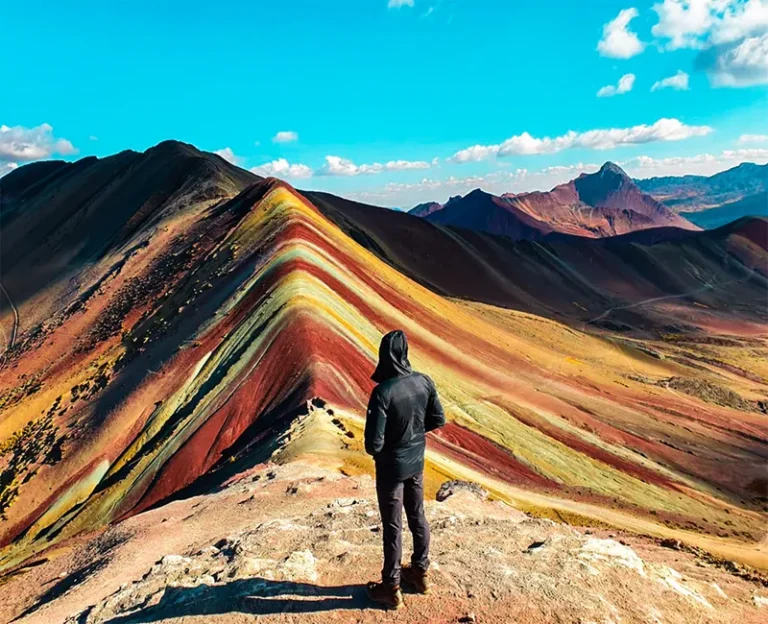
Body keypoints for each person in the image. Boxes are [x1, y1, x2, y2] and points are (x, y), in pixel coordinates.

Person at [364, 329, 445, 610]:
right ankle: (420, 573)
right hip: (416, 462)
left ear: (385, 356)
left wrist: (392, 444)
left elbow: (373, 445)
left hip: (390, 469)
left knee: (393, 526)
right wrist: (413, 434)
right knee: (418, 515)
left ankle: (391, 586)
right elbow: (438, 418)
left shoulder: (382, 393)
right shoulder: (424, 381)